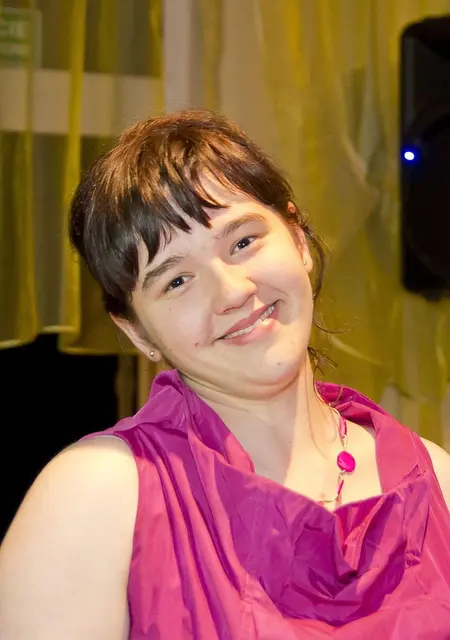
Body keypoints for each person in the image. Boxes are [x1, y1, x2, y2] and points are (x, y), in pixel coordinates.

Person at [1, 109, 449, 640]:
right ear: (137, 332)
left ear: (298, 239)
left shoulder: (435, 479)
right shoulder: (96, 497)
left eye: (242, 242)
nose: (233, 291)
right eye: (176, 281)